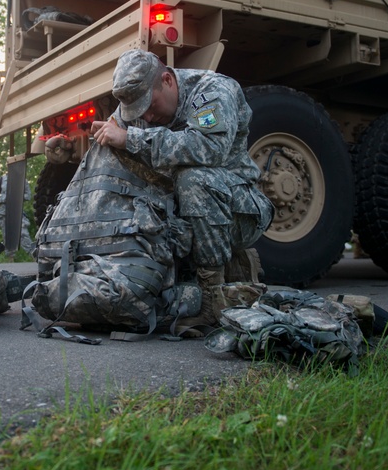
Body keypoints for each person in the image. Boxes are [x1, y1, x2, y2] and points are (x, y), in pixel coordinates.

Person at [90, 49, 273, 327]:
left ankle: (213, 298)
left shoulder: (211, 92)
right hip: (181, 207)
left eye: (150, 107)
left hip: (238, 208)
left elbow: (210, 149)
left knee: (194, 178)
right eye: (138, 112)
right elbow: (118, 135)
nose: (147, 117)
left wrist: (132, 139)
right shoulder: (142, 104)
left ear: (167, 80)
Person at [0, 173, 36, 257]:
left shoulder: (22, 180)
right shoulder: (1, 180)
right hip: (4, 212)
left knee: (23, 233)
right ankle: (10, 258)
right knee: (7, 236)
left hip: (17, 210)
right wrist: (2, 199)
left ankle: (33, 255)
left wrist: (17, 197)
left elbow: (28, 195)